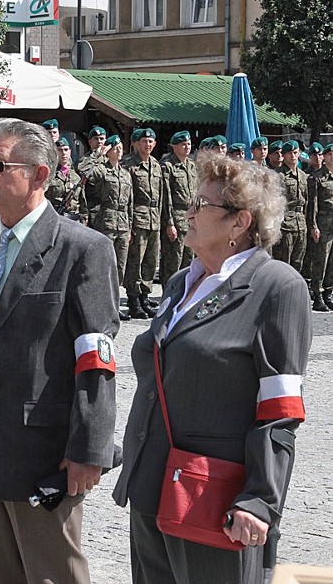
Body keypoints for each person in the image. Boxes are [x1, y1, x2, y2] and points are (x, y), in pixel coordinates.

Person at [0, 118, 119, 584]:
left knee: (53, 573)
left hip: (43, 452)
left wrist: (90, 449)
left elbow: (96, 360)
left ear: (40, 175)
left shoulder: (83, 249)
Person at [113, 153, 309, 584]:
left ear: (240, 222)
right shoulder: (182, 281)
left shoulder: (277, 286)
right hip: (152, 482)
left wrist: (260, 499)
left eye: (202, 205)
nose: (189, 212)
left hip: (215, 495)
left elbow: (280, 409)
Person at [88, 134, 133, 321]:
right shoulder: (102, 171)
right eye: (116, 148)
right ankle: (100, 305)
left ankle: (114, 305)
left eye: (121, 148)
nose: (120, 151)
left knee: (119, 267)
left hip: (123, 223)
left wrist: (130, 226)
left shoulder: (125, 173)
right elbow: (86, 172)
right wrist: (98, 154)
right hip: (106, 221)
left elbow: (130, 202)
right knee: (104, 265)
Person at [125, 128, 166, 319]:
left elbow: (163, 196)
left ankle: (145, 296)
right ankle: (133, 299)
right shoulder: (129, 166)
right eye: (144, 141)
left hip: (154, 219)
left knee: (150, 261)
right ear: (135, 143)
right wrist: (129, 224)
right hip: (138, 217)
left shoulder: (157, 166)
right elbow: (127, 197)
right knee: (136, 261)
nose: (147, 144)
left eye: (151, 141)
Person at [160, 130, 198, 285]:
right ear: (174, 147)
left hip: (191, 218)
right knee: (173, 260)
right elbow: (166, 196)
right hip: (176, 217)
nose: (186, 147)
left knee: (189, 260)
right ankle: (169, 294)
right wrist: (169, 223)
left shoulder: (192, 166)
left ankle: (184, 292)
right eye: (183, 144)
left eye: (188, 144)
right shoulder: (168, 165)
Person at [272, 140, 308, 273]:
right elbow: (274, 204)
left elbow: (307, 202)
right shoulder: (278, 176)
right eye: (289, 153)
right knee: (283, 264)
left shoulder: (303, 176)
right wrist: (276, 228)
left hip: (301, 224)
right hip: (285, 225)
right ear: (284, 155)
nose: (293, 156)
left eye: (295, 153)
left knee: (298, 263)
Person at [307, 144, 333, 312]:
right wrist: (313, 226)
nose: (332, 157)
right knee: (321, 260)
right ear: (324, 157)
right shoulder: (316, 178)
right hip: (323, 222)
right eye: (329, 154)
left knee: (332, 261)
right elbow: (313, 204)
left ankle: (328, 292)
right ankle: (318, 294)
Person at [46, 137, 85, 221]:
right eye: (60, 150)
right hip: (54, 218)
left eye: (66, 150)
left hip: (74, 220)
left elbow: (82, 202)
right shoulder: (48, 175)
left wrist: (84, 219)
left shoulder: (76, 176)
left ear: (70, 152)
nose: (64, 153)